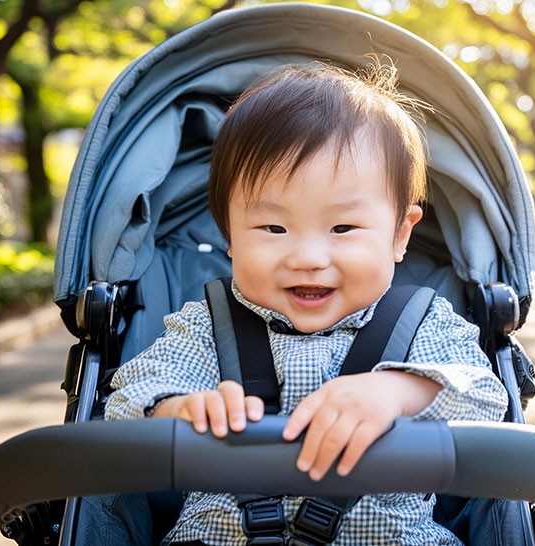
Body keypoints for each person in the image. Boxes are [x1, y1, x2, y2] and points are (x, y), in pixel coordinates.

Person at [99, 62, 508, 545]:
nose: (309, 258)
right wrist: (180, 413)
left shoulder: (424, 325)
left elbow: (485, 400)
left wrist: (398, 392)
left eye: (343, 229)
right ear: (230, 235)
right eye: (273, 229)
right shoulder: (208, 327)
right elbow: (126, 400)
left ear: (400, 235)